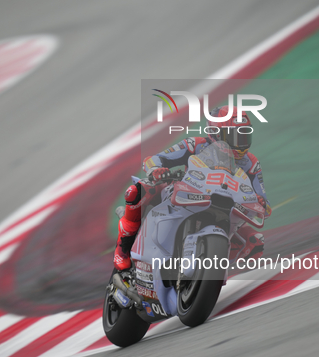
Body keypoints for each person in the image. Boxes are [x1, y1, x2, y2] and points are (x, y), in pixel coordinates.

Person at [113, 105, 272, 271]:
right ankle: (122, 249)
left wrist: (260, 203)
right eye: (235, 136)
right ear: (216, 133)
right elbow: (155, 159)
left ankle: (213, 270)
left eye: (245, 136)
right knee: (139, 190)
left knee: (255, 242)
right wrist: (156, 170)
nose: (241, 144)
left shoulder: (251, 163)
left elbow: (265, 205)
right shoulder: (195, 144)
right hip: (185, 192)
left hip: (226, 206)